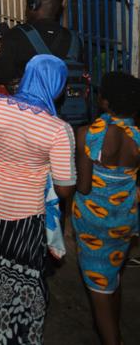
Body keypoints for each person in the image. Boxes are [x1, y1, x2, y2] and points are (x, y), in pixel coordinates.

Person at [0, 55, 76, 345]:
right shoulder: (58, 130)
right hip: (24, 217)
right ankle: (10, 336)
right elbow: (64, 190)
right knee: (18, 283)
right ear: (57, 85)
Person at [73, 71, 140, 345]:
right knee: (112, 276)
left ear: (104, 102)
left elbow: (84, 186)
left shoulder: (89, 134)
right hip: (125, 219)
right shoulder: (136, 134)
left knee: (98, 288)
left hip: (94, 223)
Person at [0, 0, 79, 89]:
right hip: (68, 105)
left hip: (29, 105)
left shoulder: (16, 36)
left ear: (32, 4)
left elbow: (0, 75)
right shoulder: (74, 39)